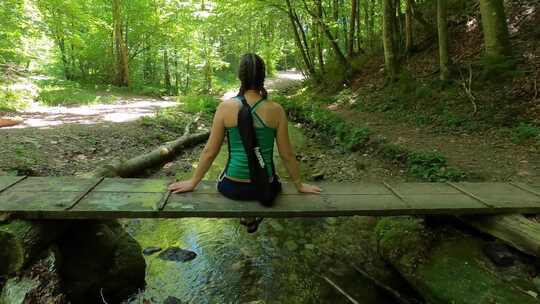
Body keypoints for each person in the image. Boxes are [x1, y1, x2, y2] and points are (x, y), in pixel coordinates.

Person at [168, 53, 321, 232]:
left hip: (233, 188)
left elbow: (210, 151)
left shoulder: (225, 108)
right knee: (272, 176)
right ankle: (252, 216)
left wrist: (193, 182)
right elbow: (287, 154)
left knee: (225, 173)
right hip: (266, 186)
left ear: (240, 77)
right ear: (263, 77)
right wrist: (299, 185)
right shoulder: (276, 110)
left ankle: (247, 215)